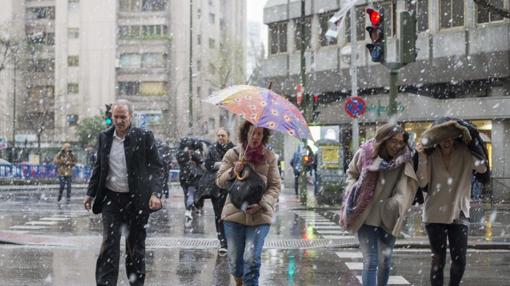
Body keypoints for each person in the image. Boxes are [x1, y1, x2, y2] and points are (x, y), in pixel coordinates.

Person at [83, 99, 163, 286]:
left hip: (137, 201)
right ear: (111, 117)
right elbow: (99, 167)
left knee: (135, 248)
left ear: (130, 117)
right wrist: (90, 193)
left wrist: (156, 193)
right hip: (111, 199)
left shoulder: (144, 136)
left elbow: (157, 168)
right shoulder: (104, 137)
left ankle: (136, 282)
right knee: (109, 245)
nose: (119, 121)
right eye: (116, 117)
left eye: (123, 117)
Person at [339, 123, 418, 286]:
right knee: (371, 261)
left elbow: (406, 188)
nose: (397, 146)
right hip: (365, 215)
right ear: (383, 140)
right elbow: (352, 173)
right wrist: (353, 189)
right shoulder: (365, 154)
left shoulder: (404, 159)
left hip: (389, 214)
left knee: (385, 261)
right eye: (393, 141)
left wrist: (394, 204)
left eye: (400, 142)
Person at [416, 118, 488, 286]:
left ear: (455, 138)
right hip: (434, 214)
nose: (446, 141)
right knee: (438, 260)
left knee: (460, 260)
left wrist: (472, 145)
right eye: (442, 137)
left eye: (450, 137)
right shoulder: (430, 155)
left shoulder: (464, 152)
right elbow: (422, 182)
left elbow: (482, 168)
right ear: (436, 139)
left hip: (459, 212)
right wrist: (422, 156)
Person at [216, 121, 281, 286]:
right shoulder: (233, 154)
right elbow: (219, 181)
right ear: (245, 133)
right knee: (236, 262)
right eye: (253, 132)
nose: (256, 137)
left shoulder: (269, 157)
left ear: (264, 136)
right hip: (234, 215)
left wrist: (262, 203)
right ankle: (239, 282)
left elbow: (275, 186)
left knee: (251, 259)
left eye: (260, 133)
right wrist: (233, 171)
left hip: (260, 217)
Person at [202, 128, 235, 255]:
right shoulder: (212, 149)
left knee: (230, 215)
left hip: (231, 187)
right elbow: (208, 165)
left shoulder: (234, 150)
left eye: (223, 135)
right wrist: (220, 165)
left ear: (228, 136)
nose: (221, 137)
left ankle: (231, 240)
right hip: (216, 187)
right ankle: (222, 241)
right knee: (218, 215)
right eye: (219, 135)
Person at [176, 138, 204, 221]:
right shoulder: (194, 153)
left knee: (187, 194)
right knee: (191, 193)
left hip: (184, 177)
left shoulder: (180, 153)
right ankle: (189, 209)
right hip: (192, 177)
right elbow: (201, 161)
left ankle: (189, 209)